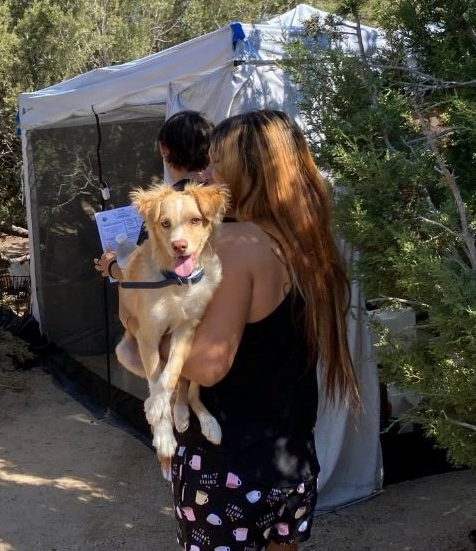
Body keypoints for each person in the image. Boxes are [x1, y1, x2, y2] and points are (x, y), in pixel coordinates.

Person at [167, 110, 360, 550]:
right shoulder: (307, 241)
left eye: (216, 163)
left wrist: (148, 328)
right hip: (291, 458)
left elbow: (207, 366)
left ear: (244, 173)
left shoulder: (236, 246)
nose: (206, 173)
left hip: (228, 462)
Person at [95, 110, 215, 279]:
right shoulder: (223, 199)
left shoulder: (164, 206)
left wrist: (111, 266)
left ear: (163, 149)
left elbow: (145, 277)